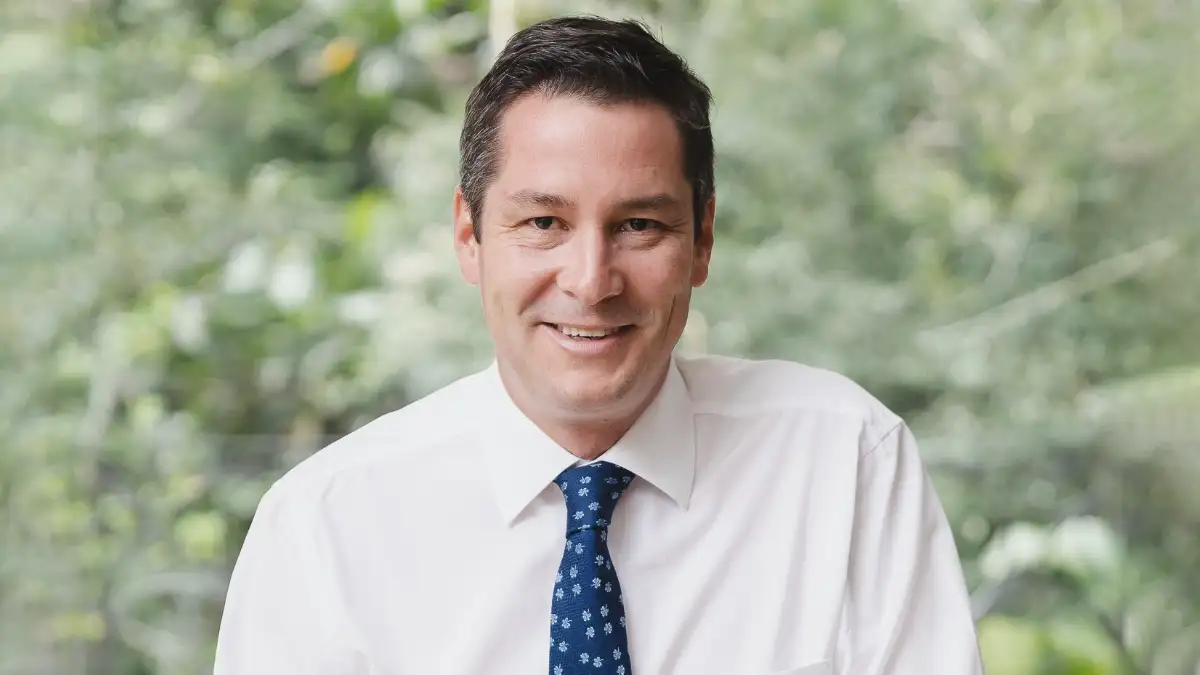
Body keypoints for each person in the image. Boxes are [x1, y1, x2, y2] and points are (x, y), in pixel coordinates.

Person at [212, 14, 984, 675]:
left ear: (702, 239)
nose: (590, 280)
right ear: (469, 236)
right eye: (543, 222)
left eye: (639, 225)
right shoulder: (324, 529)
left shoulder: (846, 463)